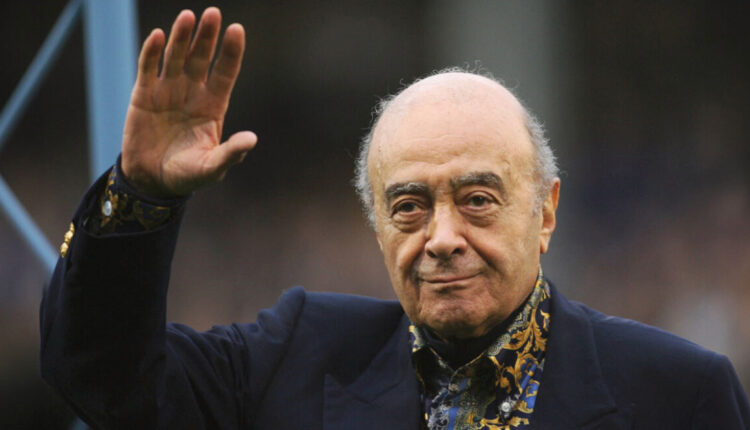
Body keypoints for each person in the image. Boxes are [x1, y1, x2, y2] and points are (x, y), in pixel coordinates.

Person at [40, 7, 749, 430]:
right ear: (376, 226)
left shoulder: (677, 392)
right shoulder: (293, 357)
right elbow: (106, 378)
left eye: (477, 200)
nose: (442, 238)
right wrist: (141, 194)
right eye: (408, 207)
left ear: (545, 213)